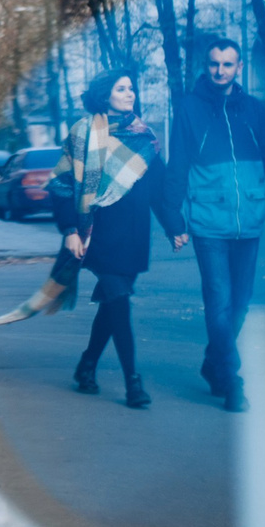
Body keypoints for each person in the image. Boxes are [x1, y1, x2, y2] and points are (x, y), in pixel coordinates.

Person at [170, 36, 265, 412]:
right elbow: (177, 166)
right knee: (220, 300)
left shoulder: (254, 110)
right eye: (214, 63)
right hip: (208, 223)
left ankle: (214, 364)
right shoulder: (190, 109)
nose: (220, 70)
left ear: (238, 67)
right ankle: (232, 380)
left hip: (250, 221)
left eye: (228, 64)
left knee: (240, 303)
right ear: (205, 65)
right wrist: (173, 219)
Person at [51, 68, 188, 409]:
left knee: (114, 304)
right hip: (98, 234)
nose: (130, 94)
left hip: (134, 236)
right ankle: (133, 384)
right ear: (104, 94)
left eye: (132, 88)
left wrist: (174, 226)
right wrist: (70, 230)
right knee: (120, 303)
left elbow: (159, 191)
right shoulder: (83, 133)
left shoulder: (144, 137)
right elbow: (61, 185)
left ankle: (87, 365)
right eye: (122, 88)